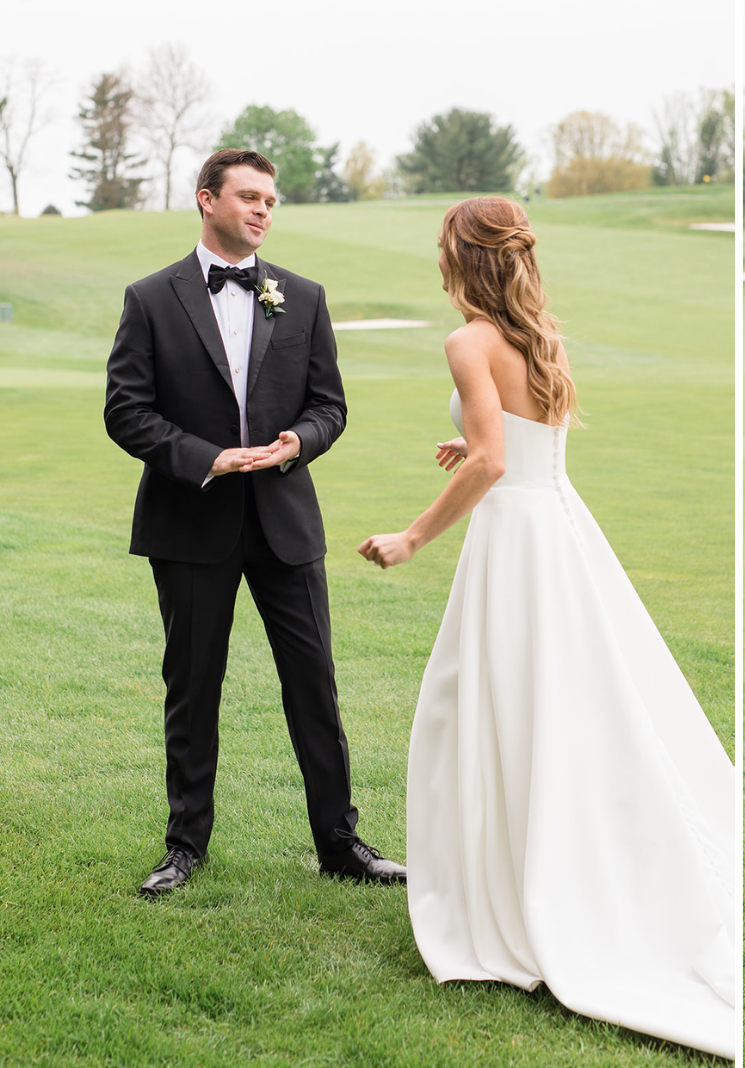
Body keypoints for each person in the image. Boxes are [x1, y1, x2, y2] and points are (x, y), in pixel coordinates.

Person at [356, 196, 736, 1058]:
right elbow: (522, 444)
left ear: (461, 255)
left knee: (489, 706)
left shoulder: (468, 341)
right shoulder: (541, 336)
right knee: (565, 700)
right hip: (559, 524)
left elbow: (496, 459)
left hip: (514, 539)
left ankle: (506, 894)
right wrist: (477, 450)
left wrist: (412, 536)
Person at [104, 149, 405, 897]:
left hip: (286, 525)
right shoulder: (149, 298)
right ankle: (184, 847)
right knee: (192, 684)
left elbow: (330, 405)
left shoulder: (301, 296)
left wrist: (303, 441)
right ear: (207, 200)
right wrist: (212, 458)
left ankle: (341, 845)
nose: (263, 210)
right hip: (189, 520)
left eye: (271, 200)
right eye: (248, 197)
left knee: (314, 685)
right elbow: (125, 412)